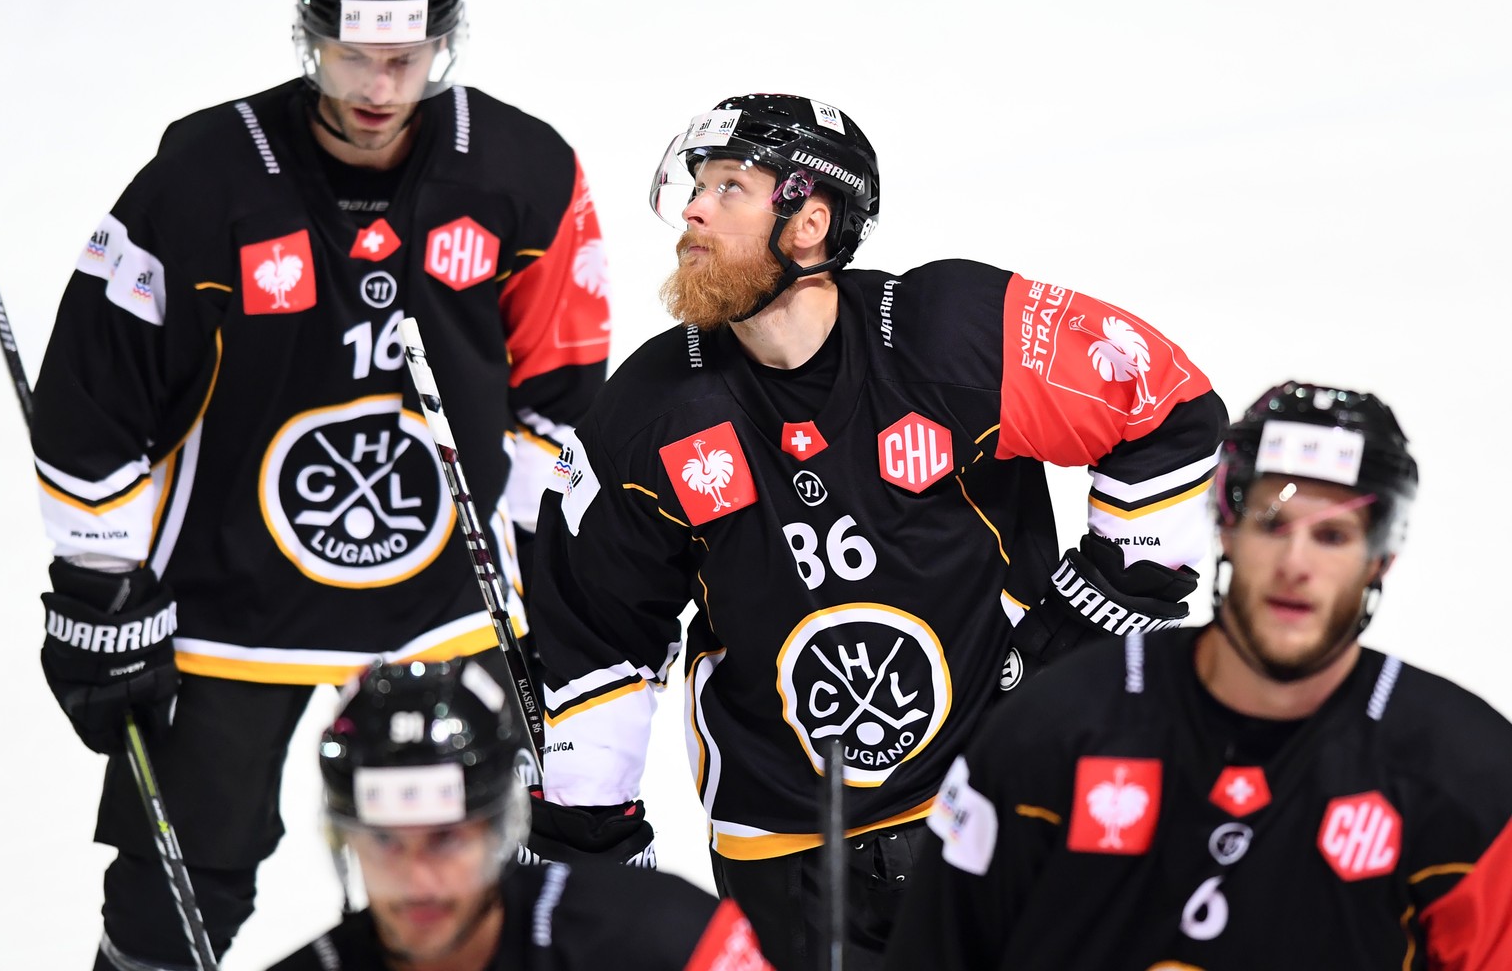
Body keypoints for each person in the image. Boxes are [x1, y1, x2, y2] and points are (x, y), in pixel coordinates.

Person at [521, 93, 1227, 970]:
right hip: (788, 847)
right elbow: (594, 635)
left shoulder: (948, 333)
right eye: (696, 185)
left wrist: (1091, 620)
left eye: (730, 187)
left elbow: (1165, 406)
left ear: (810, 221)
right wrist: (589, 840)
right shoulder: (649, 412)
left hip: (1001, 800)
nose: (693, 209)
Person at [31, 0, 610, 967]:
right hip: (226, 599)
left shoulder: (523, 169)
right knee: (171, 892)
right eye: (352, 56)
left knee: (469, 875)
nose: (379, 89)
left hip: (446, 596)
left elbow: (560, 378)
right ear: (309, 34)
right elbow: (99, 380)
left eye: (407, 56)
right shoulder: (205, 172)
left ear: (445, 36)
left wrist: (536, 561)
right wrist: (95, 573)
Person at [884, 381, 1512, 969]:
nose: (1296, 564)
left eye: (1332, 535)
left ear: (1381, 560)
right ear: (1226, 524)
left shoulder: (1467, 777)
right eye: (1273, 523)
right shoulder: (1049, 732)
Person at [269, 656, 771, 971]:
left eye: (446, 839)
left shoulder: (665, 937)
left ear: (500, 830)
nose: (418, 880)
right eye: (384, 842)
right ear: (343, 842)